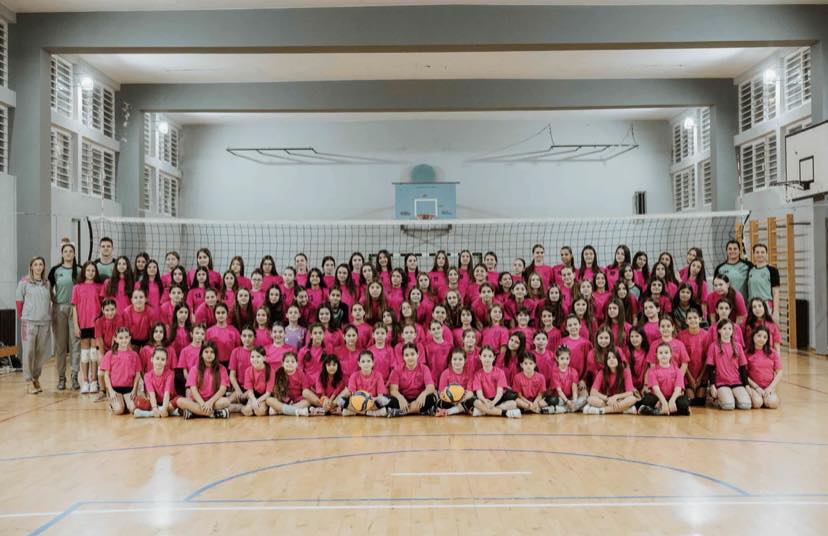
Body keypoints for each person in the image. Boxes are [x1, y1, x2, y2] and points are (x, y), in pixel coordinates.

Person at [48, 242, 81, 390]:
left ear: (74, 254)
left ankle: (74, 376)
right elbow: (48, 287)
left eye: (70, 251)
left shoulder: (80, 270)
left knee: (75, 344)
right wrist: (53, 300)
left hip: (76, 309)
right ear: (62, 254)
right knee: (60, 345)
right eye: (65, 251)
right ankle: (61, 377)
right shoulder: (55, 270)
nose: (68, 253)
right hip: (59, 308)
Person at [16, 257, 52, 394]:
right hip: (29, 322)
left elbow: (50, 301)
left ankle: (36, 378)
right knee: (28, 352)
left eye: (40, 264)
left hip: (44, 323)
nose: (38, 267)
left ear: (43, 267)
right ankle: (28, 380)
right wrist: (23, 317)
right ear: (31, 267)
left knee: (40, 353)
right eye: (35, 264)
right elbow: (19, 301)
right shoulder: (24, 282)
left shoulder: (46, 283)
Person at [747, 243, 781, 322]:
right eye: (757, 252)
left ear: (766, 254)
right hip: (752, 305)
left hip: (766, 304)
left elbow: (776, 292)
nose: (760, 254)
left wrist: (775, 312)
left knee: (766, 328)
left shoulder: (772, 270)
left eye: (762, 252)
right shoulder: (750, 270)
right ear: (753, 254)